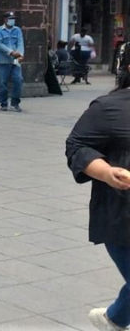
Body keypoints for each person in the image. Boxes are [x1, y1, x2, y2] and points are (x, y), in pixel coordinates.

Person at [65, 49, 130, 331]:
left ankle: (113, 319)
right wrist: (105, 171)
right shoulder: (108, 108)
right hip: (123, 217)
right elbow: (77, 146)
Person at [0, 11, 25, 112]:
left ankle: (15, 102)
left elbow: (20, 43)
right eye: (10, 19)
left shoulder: (17, 30)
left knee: (18, 79)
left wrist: (20, 54)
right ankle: (3, 103)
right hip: (3, 60)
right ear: (5, 19)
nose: (12, 21)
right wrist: (11, 52)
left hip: (15, 60)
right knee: (3, 82)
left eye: (13, 19)